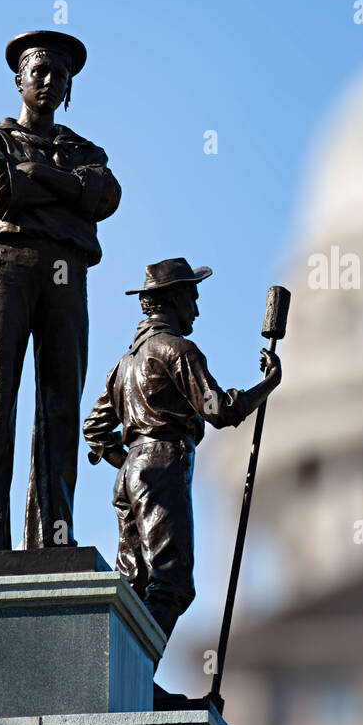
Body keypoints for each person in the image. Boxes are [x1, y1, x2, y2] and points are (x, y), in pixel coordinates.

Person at [0, 30, 121, 551]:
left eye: (61, 76)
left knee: (60, 407)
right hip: (11, 268)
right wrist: (67, 187)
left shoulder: (86, 150)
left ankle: (53, 535)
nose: (51, 82)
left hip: (68, 279)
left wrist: (37, 175)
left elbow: (105, 196)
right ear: (19, 80)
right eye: (40, 73)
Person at [82, 257, 282, 642]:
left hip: (131, 476)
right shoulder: (177, 350)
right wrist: (269, 383)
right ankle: (136, 675)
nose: (197, 308)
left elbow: (94, 429)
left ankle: (129, 680)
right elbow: (220, 411)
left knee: (135, 586)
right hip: (162, 464)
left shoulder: (125, 364)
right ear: (173, 300)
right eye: (192, 297)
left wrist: (131, 466)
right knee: (171, 583)